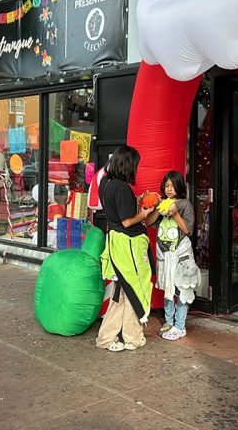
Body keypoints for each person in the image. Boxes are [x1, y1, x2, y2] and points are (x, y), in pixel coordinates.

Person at [95, 146, 155, 352]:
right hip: (129, 243)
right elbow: (128, 221)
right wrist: (145, 212)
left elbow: (116, 210)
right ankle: (128, 337)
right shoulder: (122, 187)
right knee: (134, 289)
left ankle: (118, 336)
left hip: (115, 241)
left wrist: (136, 201)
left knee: (122, 291)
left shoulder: (106, 182)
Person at [145, 171, 196, 341]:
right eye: (166, 186)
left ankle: (180, 326)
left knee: (182, 289)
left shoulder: (185, 205)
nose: (169, 189)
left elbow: (187, 229)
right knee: (167, 288)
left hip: (181, 255)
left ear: (179, 187)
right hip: (165, 256)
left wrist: (175, 214)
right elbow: (149, 222)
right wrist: (159, 209)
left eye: (172, 186)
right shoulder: (162, 203)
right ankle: (169, 321)